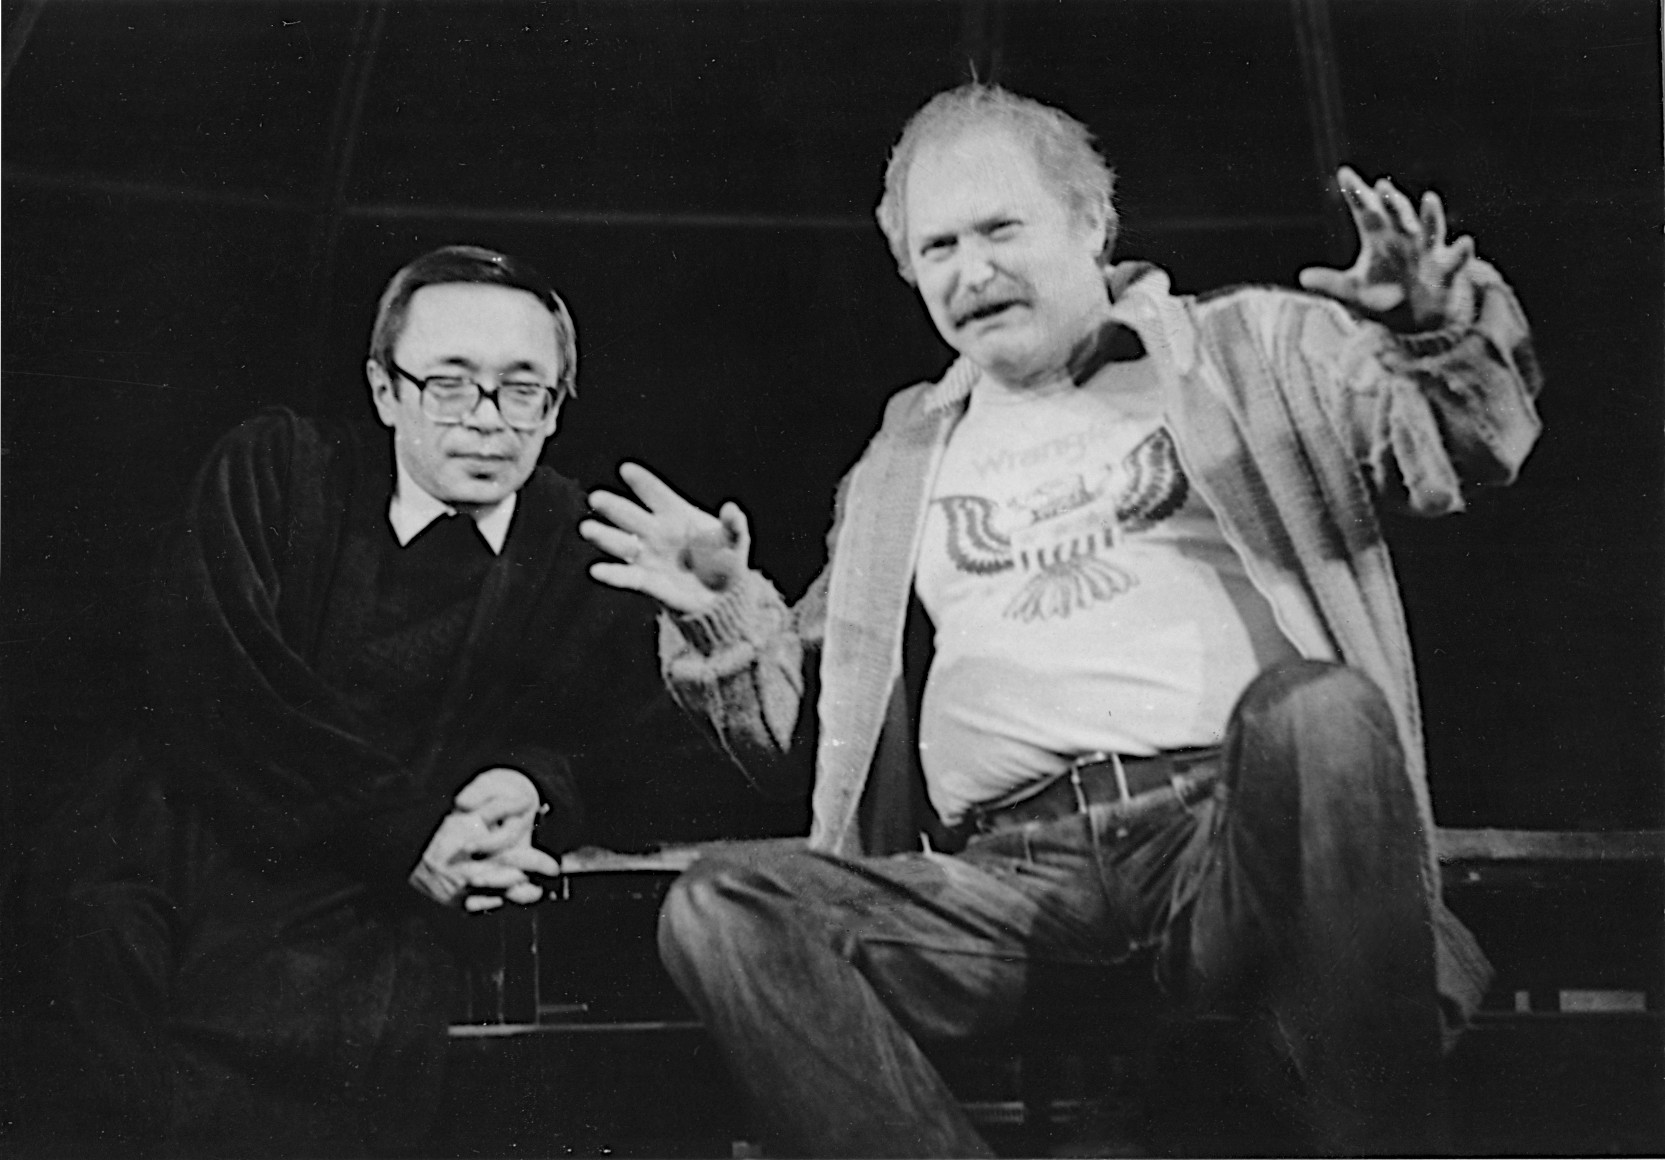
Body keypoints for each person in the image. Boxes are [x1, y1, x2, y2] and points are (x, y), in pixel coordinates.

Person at [580, 83, 1542, 1157]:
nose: (971, 271)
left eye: (1000, 229)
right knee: (724, 904)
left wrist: (1431, 328)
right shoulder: (902, 455)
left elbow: (1466, 450)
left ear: (1091, 222)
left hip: (1226, 846)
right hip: (1007, 881)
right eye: (939, 247)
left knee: (1320, 709)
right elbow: (802, 732)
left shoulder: (1249, 347)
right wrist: (722, 612)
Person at [11, 245, 670, 1156]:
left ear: (554, 409)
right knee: (99, 999)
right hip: (192, 842)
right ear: (384, 390)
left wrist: (531, 783)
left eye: (523, 391)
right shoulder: (279, 469)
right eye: (448, 384)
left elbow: (616, 741)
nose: (487, 420)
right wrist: (405, 834)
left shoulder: (579, 543)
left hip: (378, 912)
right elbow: (214, 677)